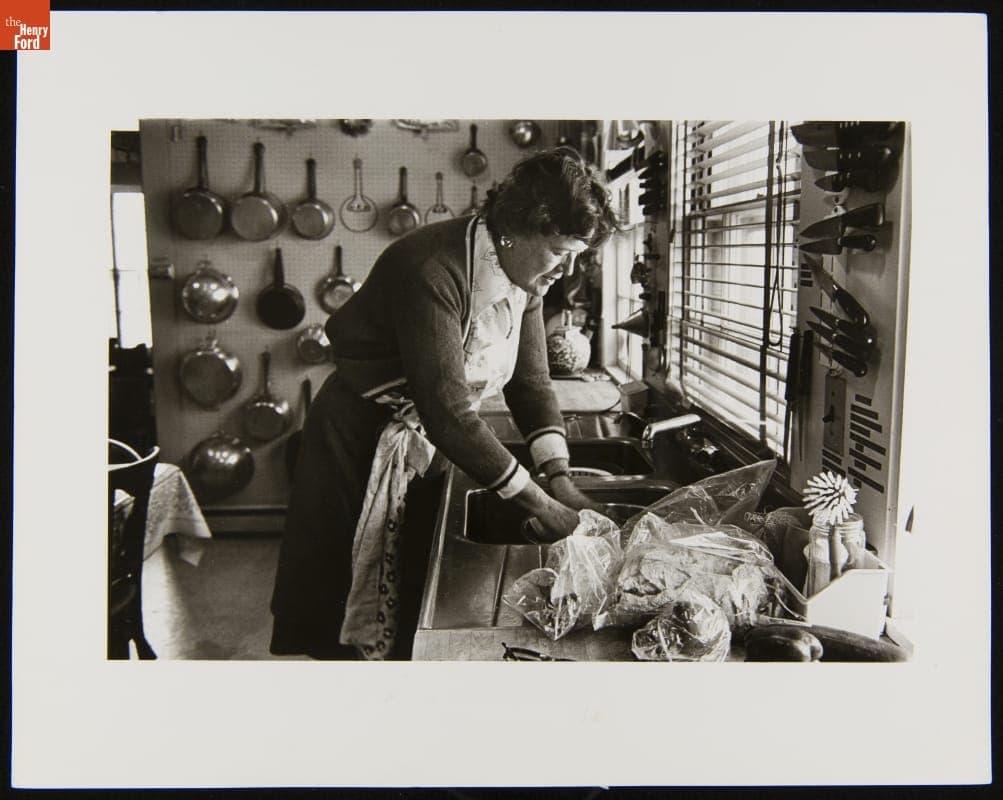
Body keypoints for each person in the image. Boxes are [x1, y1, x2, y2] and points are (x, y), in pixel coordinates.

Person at [270, 146, 620, 660]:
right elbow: (449, 412)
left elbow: (531, 383)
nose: (566, 272)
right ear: (518, 228)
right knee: (347, 612)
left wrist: (559, 477)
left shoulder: (524, 277)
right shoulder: (434, 267)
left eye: (576, 256)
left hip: (423, 442)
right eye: (560, 253)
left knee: (406, 598)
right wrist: (540, 505)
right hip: (359, 442)